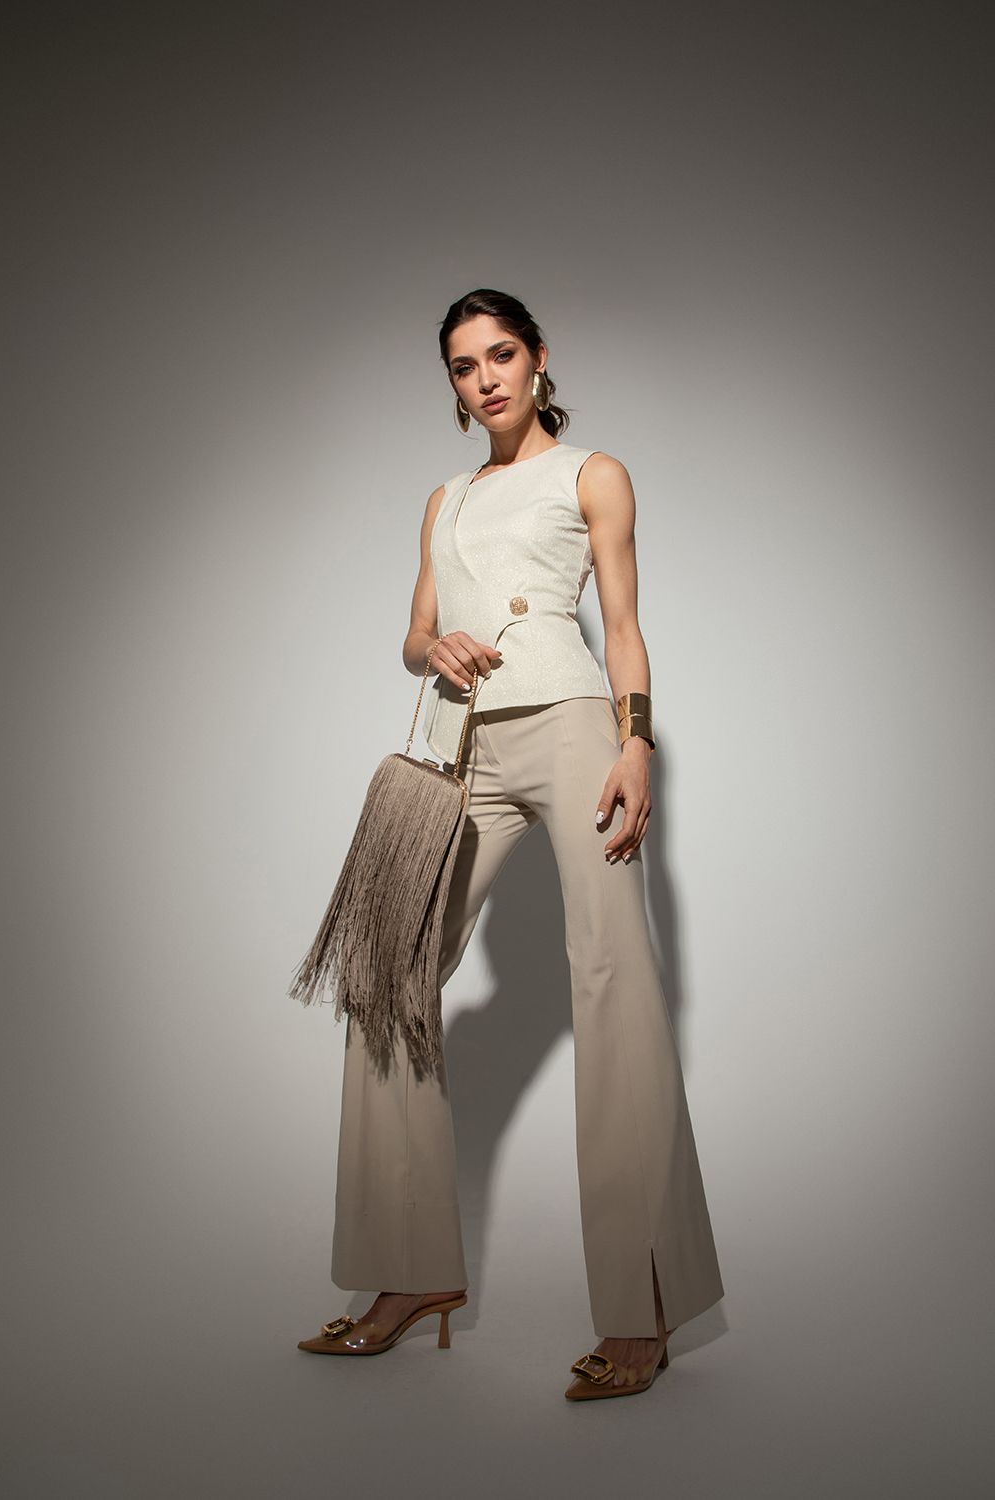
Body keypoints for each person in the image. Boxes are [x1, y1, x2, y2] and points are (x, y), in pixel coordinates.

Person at [297, 289, 723, 1399]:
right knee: (386, 979)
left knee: (615, 987)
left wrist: (637, 745)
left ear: (538, 360)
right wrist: (431, 646)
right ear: (451, 383)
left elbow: (621, 625)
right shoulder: (444, 499)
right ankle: (408, 1275)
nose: (484, 378)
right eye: (462, 364)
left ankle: (642, 1307)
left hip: (573, 729)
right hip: (458, 751)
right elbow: (413, 634)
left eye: (499, 355)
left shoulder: (592, 474)